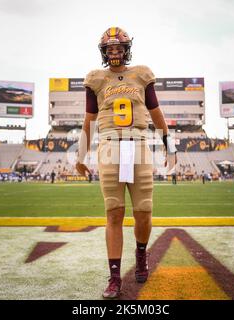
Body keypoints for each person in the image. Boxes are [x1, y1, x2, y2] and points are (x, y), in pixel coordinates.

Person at [75, 27, 176, 299]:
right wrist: (80, 157)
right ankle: (115, 276)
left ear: (127, 49)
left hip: (140, 144)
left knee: (143, 210)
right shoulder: (96, 79)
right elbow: (89, 122)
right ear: (104, 52)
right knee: (114, 212)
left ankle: (141, 254)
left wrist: (169, 144)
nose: (115, 53)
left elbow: (156, 113)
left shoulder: (141, 74)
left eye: (119, 48)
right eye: (110, 49)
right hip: (109, 145)